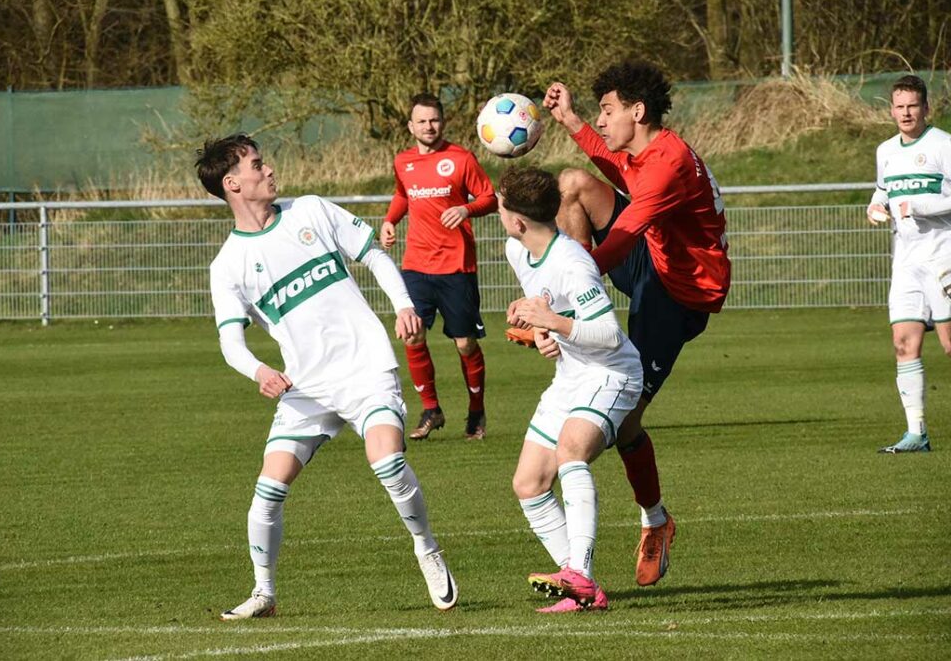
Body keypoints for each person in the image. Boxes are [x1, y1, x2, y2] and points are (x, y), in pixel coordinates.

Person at [195, 134, 458, 620]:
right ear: (232, 183)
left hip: (365, 369)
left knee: (387, 462)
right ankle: (263, 593)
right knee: (268, 491)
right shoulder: (227, 266)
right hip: (306, 387)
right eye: (257, 164)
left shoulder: (311, 210)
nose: (269, 169)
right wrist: (260, 371)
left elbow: (374, 254)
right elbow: (230, 342)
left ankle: (426, 547)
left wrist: (403, 305)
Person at [534, 59, 730, 588]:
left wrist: (565, 286)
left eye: (607, 110)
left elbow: (622, 235)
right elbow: (610, 168)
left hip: (679, 296)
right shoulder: (645, 152)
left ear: (636, 112)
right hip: (656, 258)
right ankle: (574, 317)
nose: (601, 121)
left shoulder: (667, 165)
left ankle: (656, 520)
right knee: (572, 184)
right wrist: (570, 118)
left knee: (623, 422)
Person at [500, 166, 643, 613]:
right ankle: (581, 588)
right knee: (528, 483)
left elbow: (608, 334)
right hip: (571, 375)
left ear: (518, 220)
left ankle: (578, 574)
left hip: (610, 374)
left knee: (570, 452)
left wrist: (553, 323)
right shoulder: (517, 249)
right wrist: (542, 332)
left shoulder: (573, 263)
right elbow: (547, 310)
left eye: (501, 207)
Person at [380, 93, 497, 441]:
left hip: (456, 266)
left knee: (464, 344)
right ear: (410, 126)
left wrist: (466, 209)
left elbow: (489, 197)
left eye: (434, 120)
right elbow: (403, 194)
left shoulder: (461, 159)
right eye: (422, 121)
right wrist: (390, 221)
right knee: (411, 333)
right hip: (416, 264)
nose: (428, 126)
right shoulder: (403, 161)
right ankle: (431, 409)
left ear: (442, 122)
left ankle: (476, 412)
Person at [866, 74, 951, 453]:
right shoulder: (886, 150)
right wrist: (875, 205)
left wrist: (924, 206)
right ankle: (916, 433)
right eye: (900, 106)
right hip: (906, 259)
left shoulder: (943, 144)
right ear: (891, 110)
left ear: (926, 108)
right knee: (903, 342)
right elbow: (883, 190)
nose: (906, 113)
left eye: (913, 106)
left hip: (944, 253)